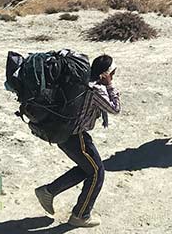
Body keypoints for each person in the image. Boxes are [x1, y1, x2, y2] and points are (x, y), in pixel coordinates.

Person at [34, 54, 121, 228]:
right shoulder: (96, 90)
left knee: (87, 169)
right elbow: (115, 108)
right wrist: (110, 85)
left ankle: (48, 191)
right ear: (106, 73)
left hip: (64, 133)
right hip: (76, 137)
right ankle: (80, 215)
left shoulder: (82, 82)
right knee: (97, 172)